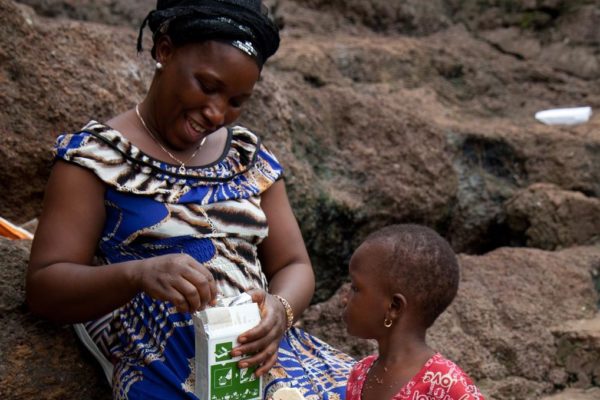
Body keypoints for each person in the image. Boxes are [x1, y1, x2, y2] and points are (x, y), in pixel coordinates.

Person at [26, 1, 354, 398]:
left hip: (269, 359)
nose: (217, 113)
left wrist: (278, 310)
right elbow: (45, 288)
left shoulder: (246, 159)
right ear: (164, 51)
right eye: (208, 86)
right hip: (173, 372)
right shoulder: (96, 160)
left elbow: (294, 263)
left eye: (236, 101)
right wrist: (139, 274)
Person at [343, 224, 485, 400]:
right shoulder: (361, 374)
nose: (345, 299)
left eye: (355, 288)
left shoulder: (446, 386)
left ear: (394, 307)